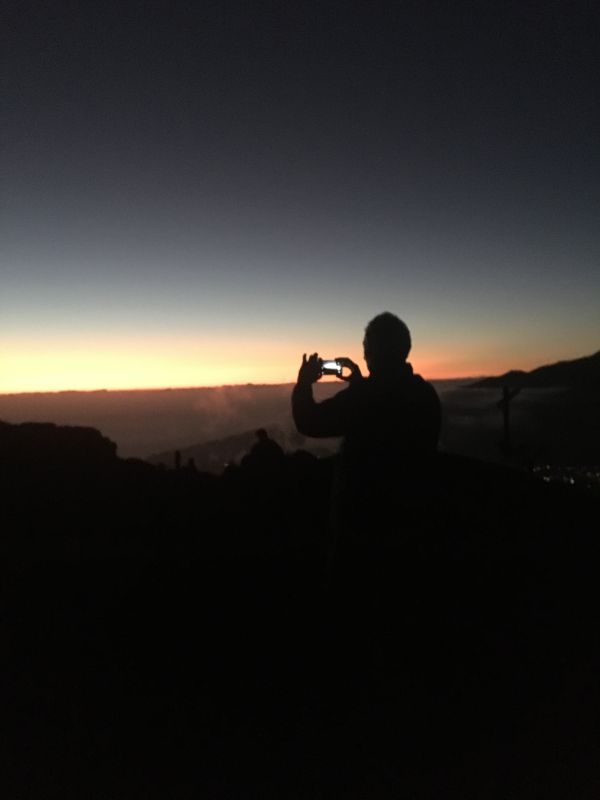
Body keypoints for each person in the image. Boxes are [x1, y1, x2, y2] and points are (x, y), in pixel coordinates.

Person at [292, 312, 441, 545]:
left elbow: (309, 421)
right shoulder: (425, 392)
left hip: (363, 521)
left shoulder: (364, 396)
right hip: (413, 513)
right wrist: (360, 384)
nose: (363, 352)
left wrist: (303, 383)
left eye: (366, 345)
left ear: (372, 351)